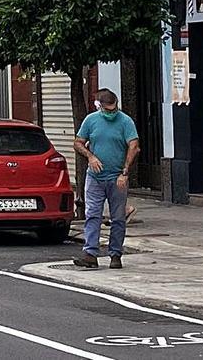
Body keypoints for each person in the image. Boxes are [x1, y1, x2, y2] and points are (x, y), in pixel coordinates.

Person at [72, 89, 140, 270]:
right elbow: (78, 142)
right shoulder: (91, 120)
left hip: (117, 177)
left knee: (118, 218)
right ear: (99, 106)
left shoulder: (125, 121)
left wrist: (125, 172)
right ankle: (90, 254)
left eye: (114, 108)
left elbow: (134, 146)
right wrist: (90, 156)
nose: (112, 113)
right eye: (108, 110)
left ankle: (115, 255)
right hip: (94, 177)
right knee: (93, 214)